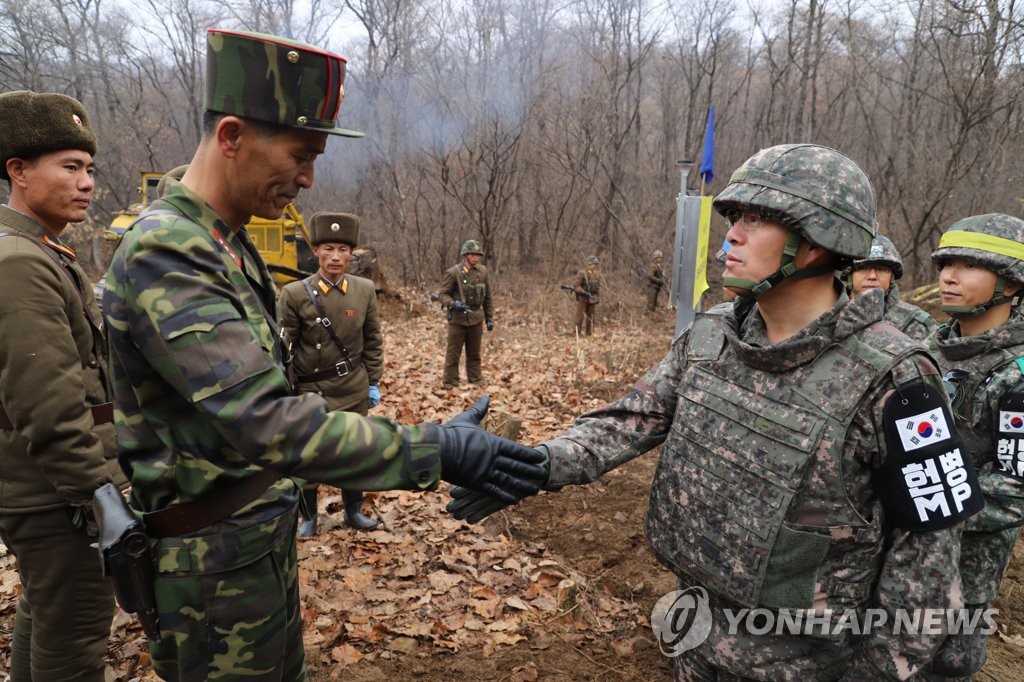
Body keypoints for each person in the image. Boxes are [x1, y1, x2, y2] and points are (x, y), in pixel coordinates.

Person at [102, 29, 546, 679]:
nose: (309, 179)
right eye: (301, 155)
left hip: (251, 544)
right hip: (208, 574)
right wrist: (436, 450)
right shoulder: (168, 253)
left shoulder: (221, 241)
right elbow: (266, 420)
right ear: (232, 138)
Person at [450, 143, 980, 680]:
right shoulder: (712, 335)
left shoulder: (899, 378)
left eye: (758, 220)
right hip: (696, 637)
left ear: (820, 242)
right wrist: (538, 464)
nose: (732, 235)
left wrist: (880, 671)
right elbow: (630, 420)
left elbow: (929, 551)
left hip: (808, 666)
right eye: (734, 218)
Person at [0, 90, 127, 681]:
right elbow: (49, 406)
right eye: (69, 168)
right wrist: (101, 497)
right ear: (19, 172)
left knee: (48, 614)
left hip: (46, 486)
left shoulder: (42, 251)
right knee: (74, 637)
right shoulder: (21, 262)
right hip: (54, 492)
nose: (86, 183)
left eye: (90, 169)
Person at [922, 213, 1024, 680]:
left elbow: (1013, 488)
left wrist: (926, 508)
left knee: (948, 662)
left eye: (969, 266)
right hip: (897, 552)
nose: (949, 276)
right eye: (946, 263)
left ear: (1012, 284)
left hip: (965, 563)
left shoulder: (1018, 372)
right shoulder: (925, 350)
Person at [278, 212, 382, 534]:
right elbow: (284, 347)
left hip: (352, 386)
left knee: (355, 451)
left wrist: (374, 382)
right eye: (328, 249)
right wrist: (284, 389)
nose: (335, 257)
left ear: (352, 254)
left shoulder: (364, 290)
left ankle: (353, 511)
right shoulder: (295, 294)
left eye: (342, 250)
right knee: (309, 455)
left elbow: (373, 340)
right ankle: (308, 517)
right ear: (316, 251)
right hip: (312, 391)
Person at [847, 234, 936, 340]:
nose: (872, 276)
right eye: (863, 268)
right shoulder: (828, 318)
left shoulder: (918, 325)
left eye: (881, 269)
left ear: (892, 277)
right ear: (849, 275)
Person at [438, 239, 494, 387]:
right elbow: (442, 294)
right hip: (458, 319)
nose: (476, 257)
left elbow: (488, 297)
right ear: (466, 255)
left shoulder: (482, 272)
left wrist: (489, 318)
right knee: (453, 354)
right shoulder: (453, 273)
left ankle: (476, 378)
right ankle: (450, 382)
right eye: (473, 254)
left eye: (478, 255)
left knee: (474, 353)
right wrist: (452, 304)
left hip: (476, 318)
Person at [573, 255, 600, 335]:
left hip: (592, 297)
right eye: (592, 264)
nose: (594, 266)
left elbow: (597, 287)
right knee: (580, 316)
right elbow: (576, 285)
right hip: (583, 297)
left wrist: (597, 297)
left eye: (595, 264)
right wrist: (582, 291)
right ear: (588, 264)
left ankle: (589, 333)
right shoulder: (582, 273)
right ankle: (577, 333)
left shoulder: (596, 274)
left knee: (591, 316)